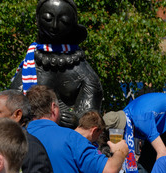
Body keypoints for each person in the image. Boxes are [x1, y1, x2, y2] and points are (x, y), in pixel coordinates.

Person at [11, 0, 103, 128]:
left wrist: (77, 119)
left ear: (73, 25)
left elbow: (92, 115)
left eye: (64, 21)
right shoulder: (30, 64)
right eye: (48, 19)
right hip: (33, 137)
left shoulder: (82, 71)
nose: (54, 26)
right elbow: (12, 107)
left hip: (68, 139)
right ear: (37, 19)